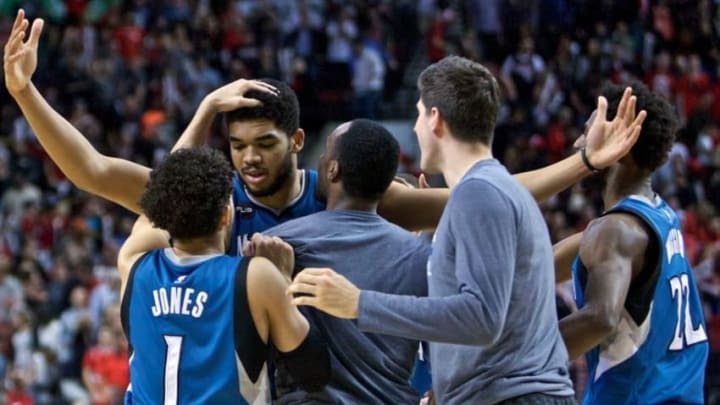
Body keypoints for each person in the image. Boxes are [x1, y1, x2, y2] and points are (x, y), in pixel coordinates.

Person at [5, 9, 642, 256]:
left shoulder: (347, 193)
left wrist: (584, 161)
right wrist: (25, 93)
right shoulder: (213, 198)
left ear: (300, 141)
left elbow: (482, 196)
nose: (249, 159)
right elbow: (90, 169)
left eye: (264, 144)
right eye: (238, 146)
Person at [286, 56, 645, 404]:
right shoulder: (493, 192)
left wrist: (358, 303)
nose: (414, 128)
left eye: (417, 115)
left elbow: (481, 318)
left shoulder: (480, 193)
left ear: (435, 119)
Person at [115, 146, 328, 403]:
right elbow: (314, 373)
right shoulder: (256, 276)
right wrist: (284, 279)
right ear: (227, 215)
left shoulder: (133, 261)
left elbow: (152, 206)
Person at [245, 119, 431, 404]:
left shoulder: (277, 244)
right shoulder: (421, 255)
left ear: (333, 170)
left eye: (325, 152)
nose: (319, 159)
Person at [557, 82, 709, 404]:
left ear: (619, 145)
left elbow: (601, 318)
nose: (578, 142)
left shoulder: (616, 230)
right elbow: (542, 262)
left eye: (588, 132)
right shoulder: (660, 215)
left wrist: (507, 360)